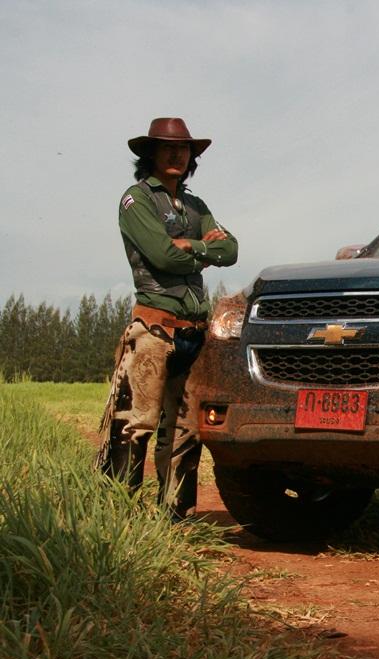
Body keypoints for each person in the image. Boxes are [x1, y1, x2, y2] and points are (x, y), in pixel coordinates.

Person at [96, 117, 238, 520]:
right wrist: (201, 248)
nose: (177, 154)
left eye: (184, 149)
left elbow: (231, 250)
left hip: (194, 332)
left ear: (191, 156)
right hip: (153, 328)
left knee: (185, 429)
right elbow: (161, 256)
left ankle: (174, 517)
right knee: (134, 424)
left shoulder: (196, 206)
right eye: (167, 147)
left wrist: (188, 244)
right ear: (150, 154)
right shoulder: (136, 199)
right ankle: (117, 519)